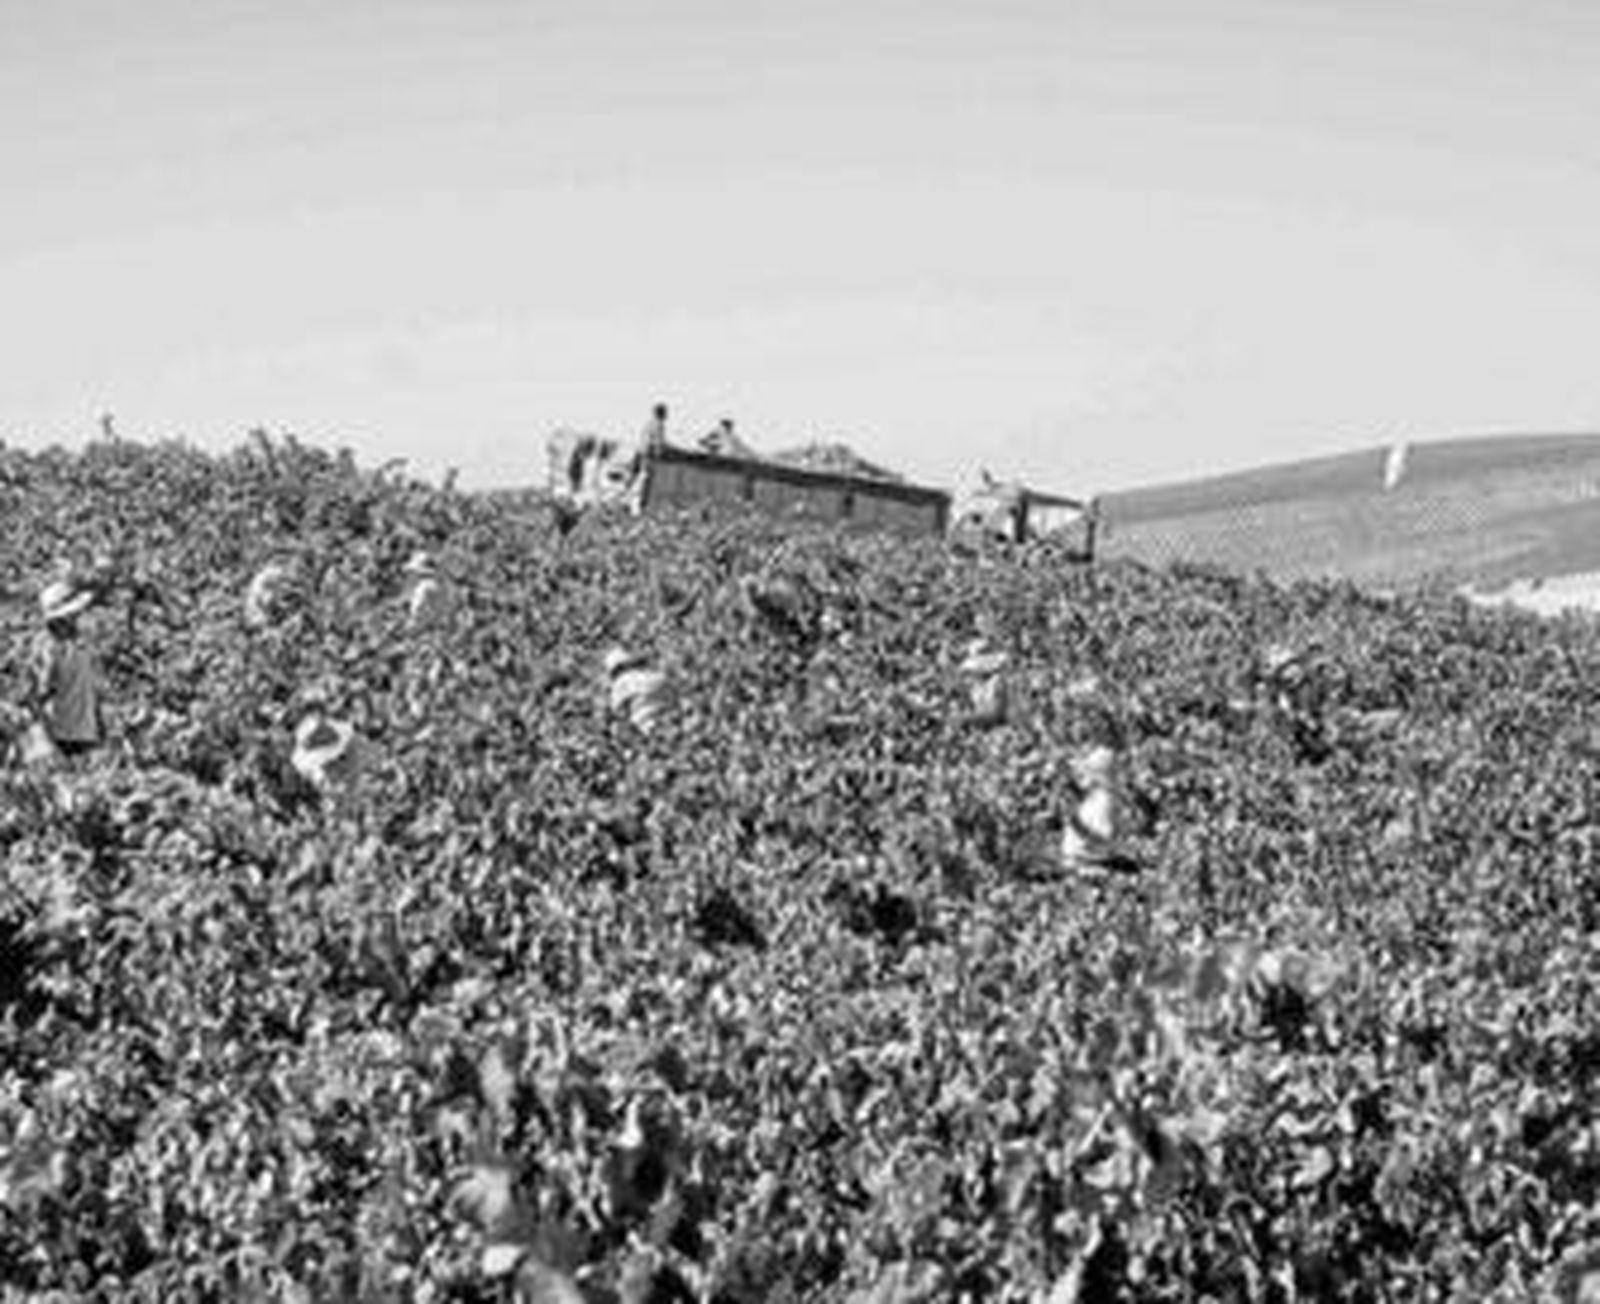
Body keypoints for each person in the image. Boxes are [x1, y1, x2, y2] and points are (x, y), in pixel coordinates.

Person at [26, 579, 103, 761]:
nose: (78, 618)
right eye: (75, 615)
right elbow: (40, 695)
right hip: (61, 738)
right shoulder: (49, 649)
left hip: (85, 732)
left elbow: (88, 687)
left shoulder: (79, 644)